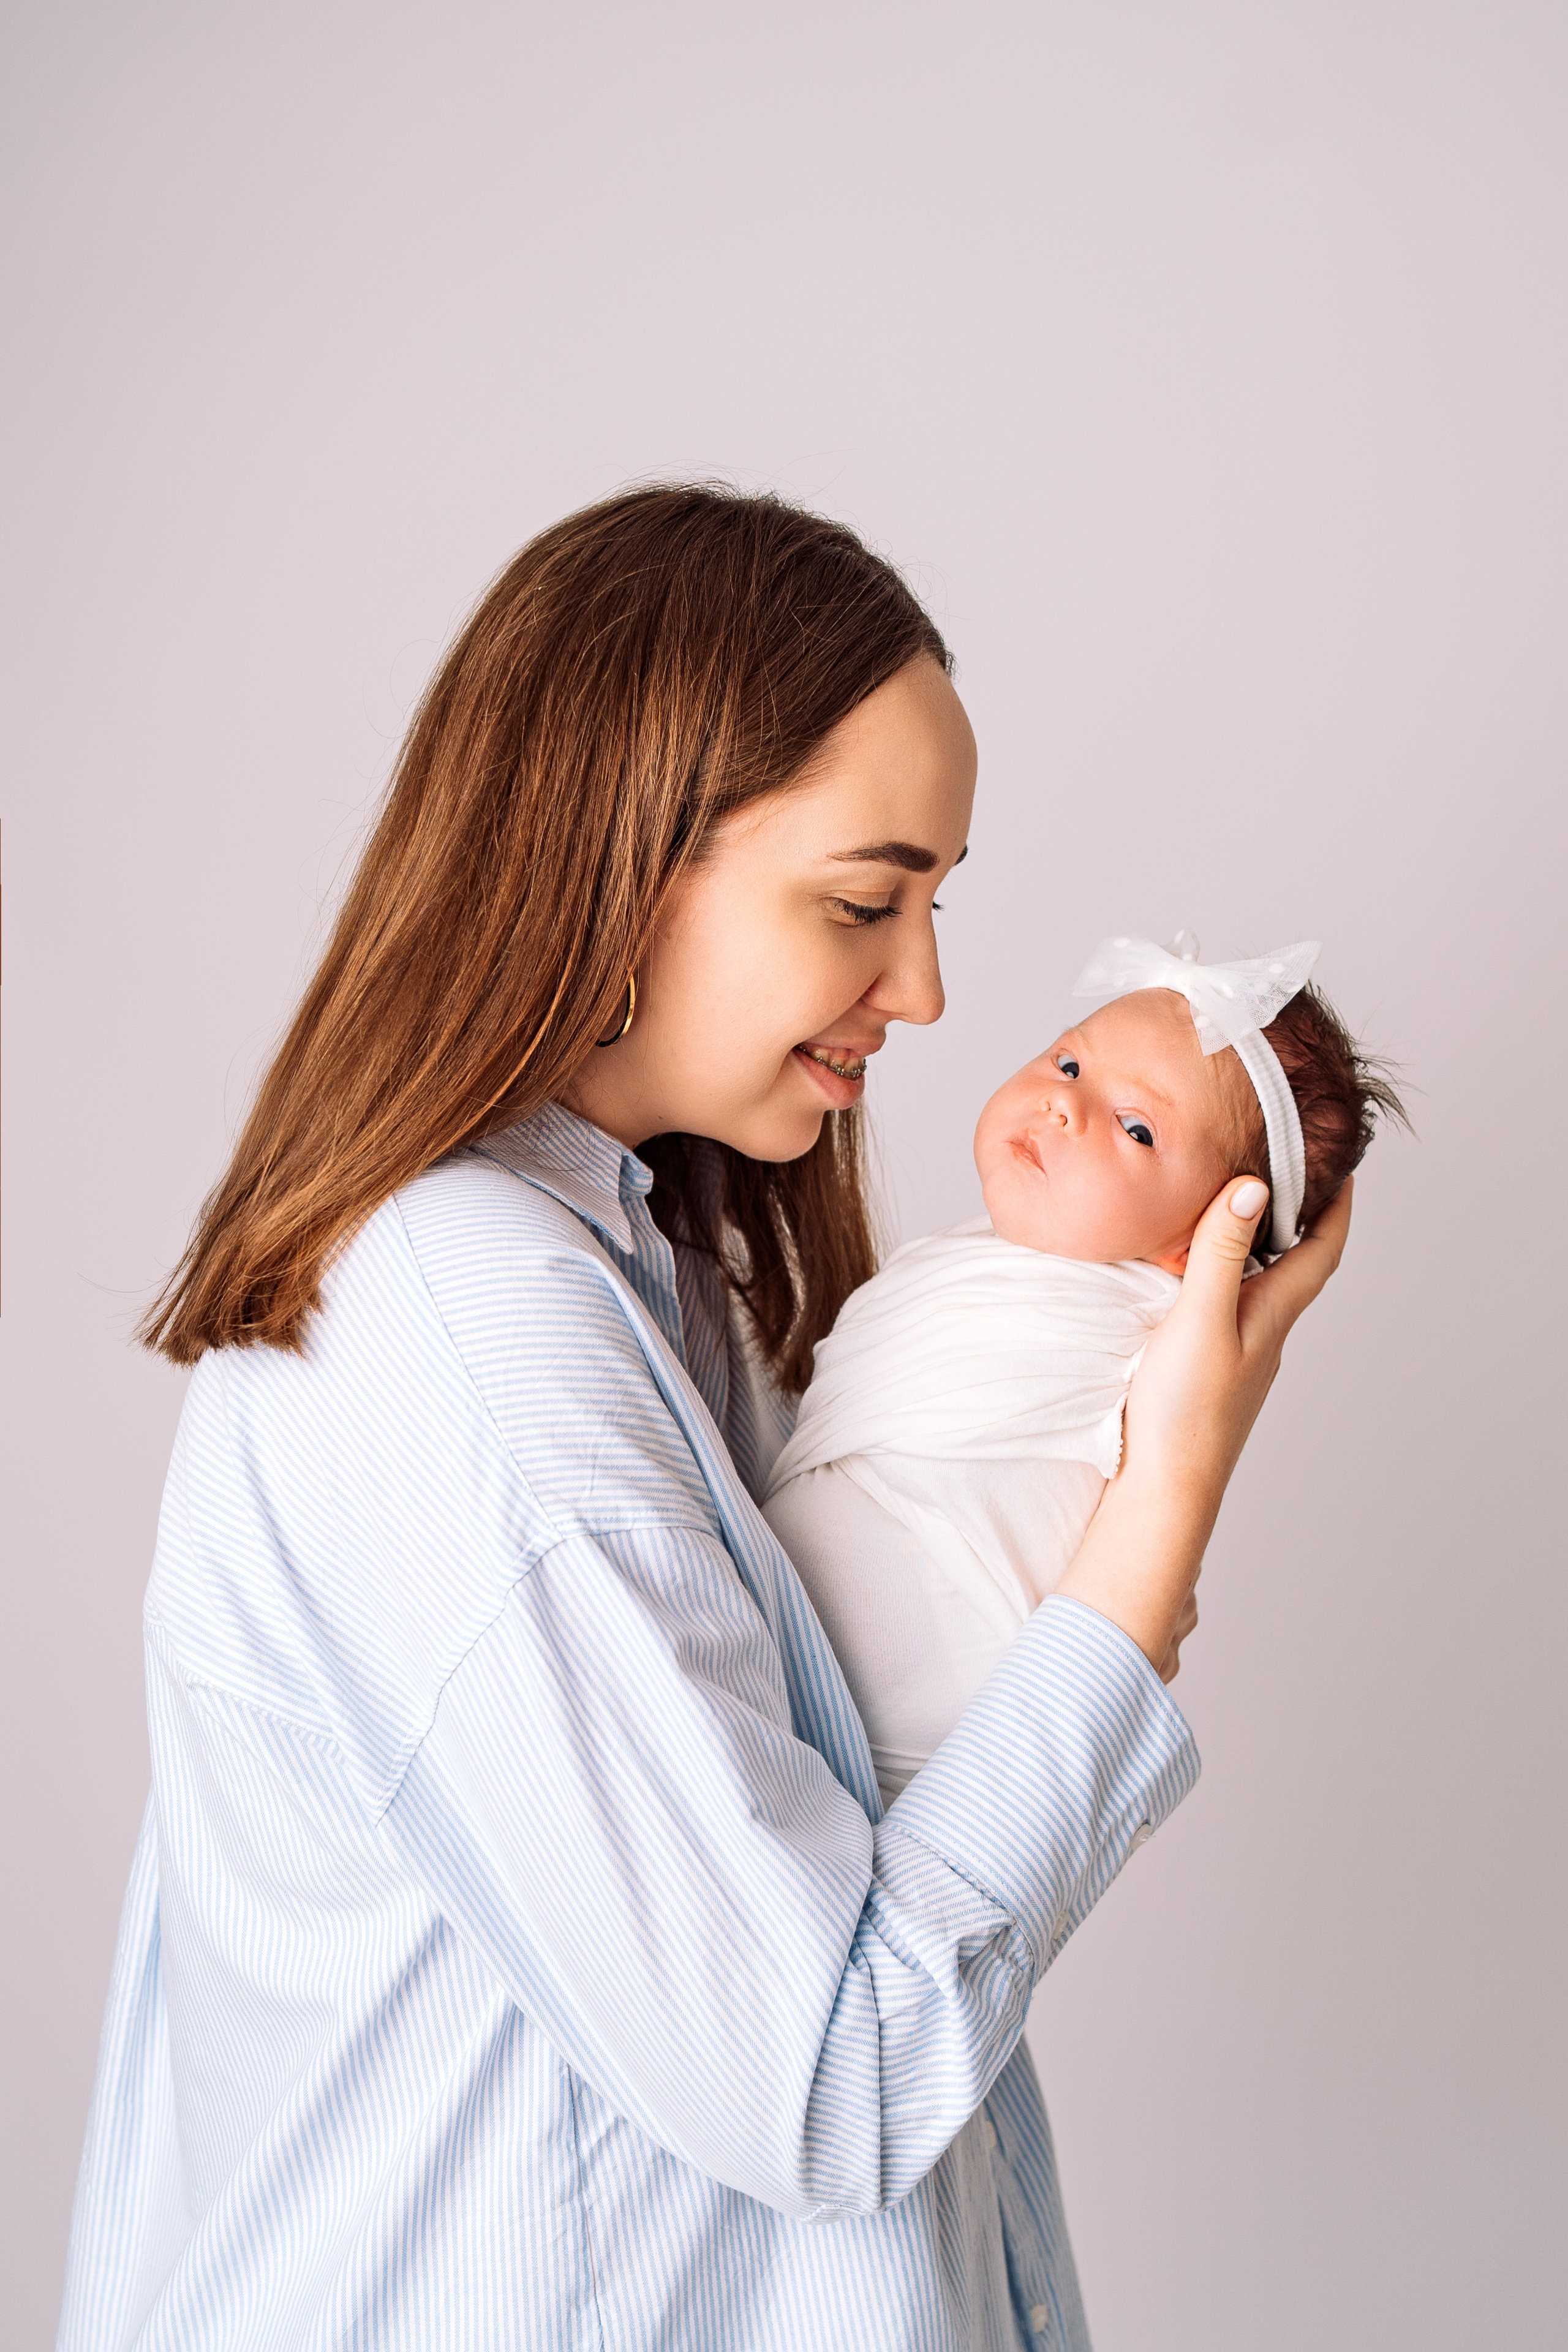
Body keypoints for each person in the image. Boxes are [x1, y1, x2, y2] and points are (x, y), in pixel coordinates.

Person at [58, 485, 1349, 2352]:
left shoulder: (639, 1270)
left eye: (937, 903)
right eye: (866, 902)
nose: (928, 990)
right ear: (620, 860)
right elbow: (834, 2081)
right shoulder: (476, 1350)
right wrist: (1153, 1534)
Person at [764, 940, 1400, 1803]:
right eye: (1069, 1063)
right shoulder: (980, 1263)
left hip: (913, 1733)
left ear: (1204, 1242)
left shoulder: (1148, 1340)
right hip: (775, 1666)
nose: (1064, 1104)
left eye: (1137, 1129)